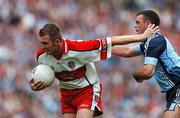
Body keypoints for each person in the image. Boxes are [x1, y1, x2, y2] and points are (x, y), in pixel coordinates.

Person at [29, 23, 158, 118]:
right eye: (41, 43)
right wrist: (36, 86)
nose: (43, 47)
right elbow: (52, 75)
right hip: (66, 94)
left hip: (86, 90)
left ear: (57, 42)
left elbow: (111, 40)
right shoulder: (42, 57)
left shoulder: (79, 49)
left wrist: (141, 37)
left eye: (45, 43)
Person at [112, 10, 180, 118]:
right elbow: (127, 51)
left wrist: (136, 75)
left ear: (148, 23)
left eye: (138, 22)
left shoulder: (154, 41)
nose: (135, 26)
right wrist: (103, 48)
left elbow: (147, 72)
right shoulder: (149, 42)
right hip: (174, 88)